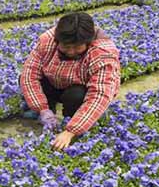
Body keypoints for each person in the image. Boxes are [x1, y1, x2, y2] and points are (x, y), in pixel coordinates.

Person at [20, 11, 120, 151]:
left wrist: (72, 130)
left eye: (77, 47)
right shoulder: (47, 40)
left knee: (76, 95)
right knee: (25, 78)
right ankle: (47, 109)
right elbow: (29, 74)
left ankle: (72, 119)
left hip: (77, 88)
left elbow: (100, 95)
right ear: (57, 40)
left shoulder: (103, 54)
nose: (71, 52)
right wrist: (42, 108)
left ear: (88, 41)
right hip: (54, 80)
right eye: (66, 47)